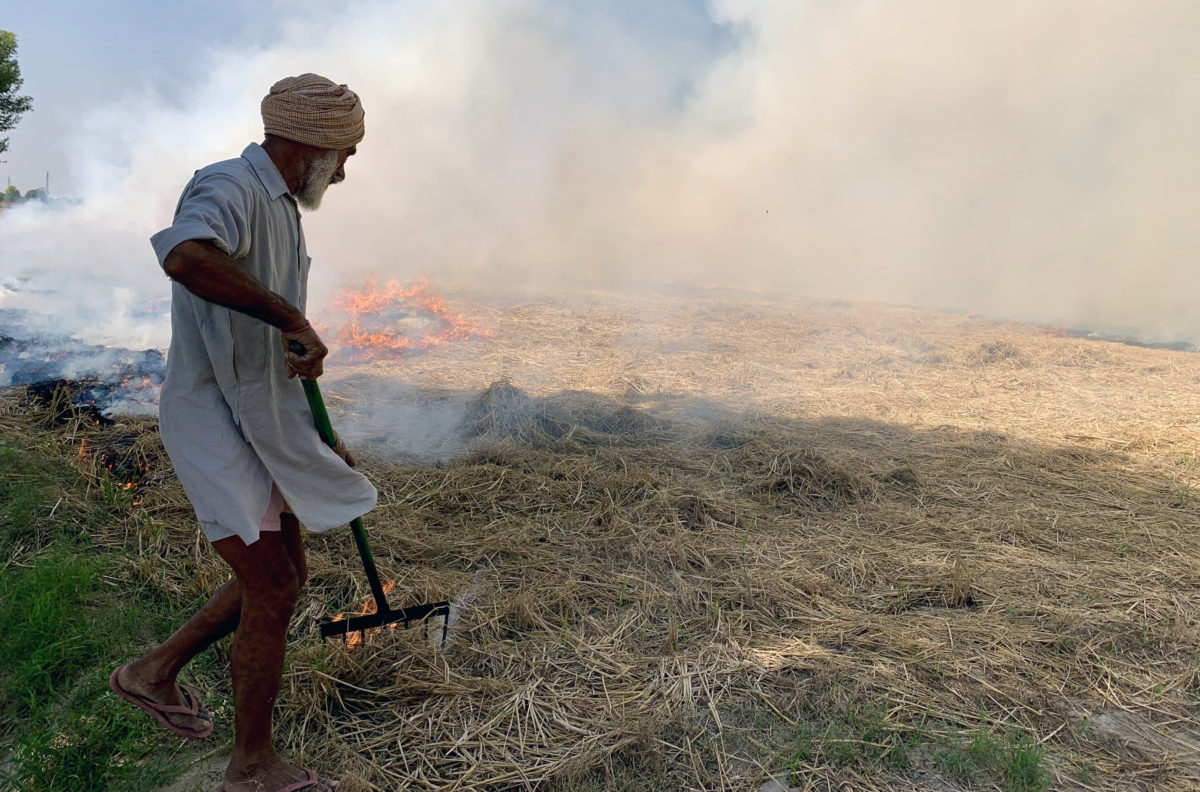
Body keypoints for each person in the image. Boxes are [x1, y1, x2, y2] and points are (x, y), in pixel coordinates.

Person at [109, 73, 376, 792]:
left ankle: (151, 672)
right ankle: (250, 766)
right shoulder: (228, 185)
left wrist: (317, 441)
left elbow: (264, 350)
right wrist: (290, 318)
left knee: (286, 578)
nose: (345, 170)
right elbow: (187, 255)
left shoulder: (283, 208)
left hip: (261, 421)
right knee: (272, 585)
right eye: (344, 154)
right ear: (311, 143)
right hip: (213, 423)